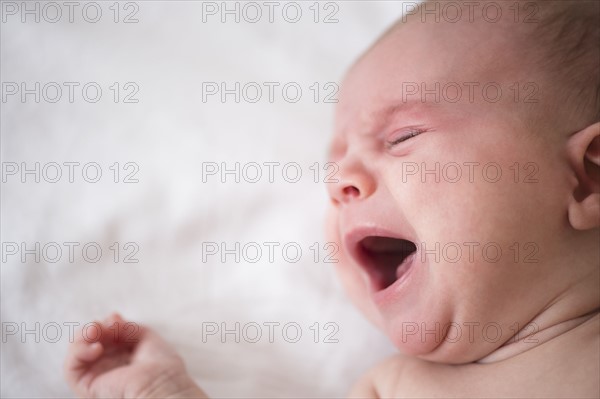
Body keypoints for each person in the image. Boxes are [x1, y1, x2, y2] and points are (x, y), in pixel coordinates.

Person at [64, 1, 600, 397]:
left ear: (587, 178)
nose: (340, 179)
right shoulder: (394, 388)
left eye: (403, 137)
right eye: (335, 161)